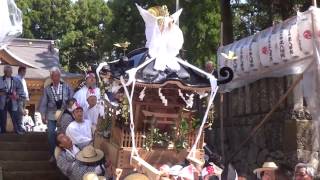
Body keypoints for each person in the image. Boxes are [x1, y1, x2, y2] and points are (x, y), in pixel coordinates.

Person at [38, 66, 74, 162]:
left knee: (66, 133)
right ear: (51, 77)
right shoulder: (47, 89)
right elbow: (44, 103)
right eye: (54, 76)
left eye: (58, 75)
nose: (56, 78)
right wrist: (42, 115)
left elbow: (72, 97)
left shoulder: (66, 86)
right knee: (50, 133)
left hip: (63, 112)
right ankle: (54, 154)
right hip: (51, 113)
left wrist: (71, 103)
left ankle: (68, 154)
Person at [0, 65, 26, 134]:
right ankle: (2, 131)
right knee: (2, 117)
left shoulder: (16, 80)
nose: (9, 73)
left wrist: (17, 95)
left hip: (13, 101)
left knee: (15, 116)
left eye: (10, 71)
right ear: (4, 72)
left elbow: (21, 91)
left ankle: (17, 130)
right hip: (2, 101)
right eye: (7, 71)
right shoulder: (0, 80)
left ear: (12, 72)